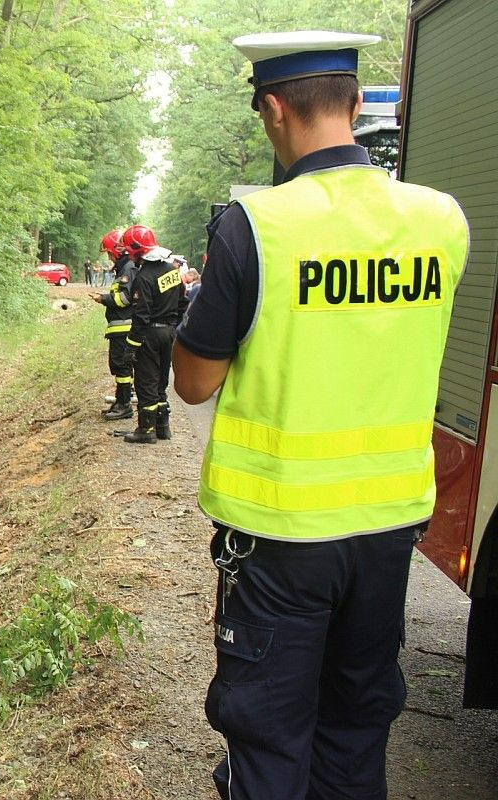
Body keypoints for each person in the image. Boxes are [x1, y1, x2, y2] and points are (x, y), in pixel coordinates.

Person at [172, 31, 469, 800]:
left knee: (269, 733)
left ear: (272, 108)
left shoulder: (256, 229)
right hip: (388, 529)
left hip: (281, 536)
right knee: (355, 726)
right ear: (355, 101)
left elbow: (195, 383)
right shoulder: (442, 221)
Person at [123, 235, 182, 443]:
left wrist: (131, 345)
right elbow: (183, 302)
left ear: (139, 251)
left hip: (150, 334)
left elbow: (142, 315)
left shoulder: (143, 277)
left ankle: (145, 430)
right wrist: (174, 326)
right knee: (161, 381)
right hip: (169, 333)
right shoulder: (172, 271)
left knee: (146, 381)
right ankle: (163, 427)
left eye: (131, 252)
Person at [91, 229, 137, 420]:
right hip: (119, 328)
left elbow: (126, 298)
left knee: (122, 366)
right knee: (118, 366)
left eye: (110, 253)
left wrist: (104, 299)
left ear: (118, 250)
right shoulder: (124, 268)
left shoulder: (128, 269)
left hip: (124, 328)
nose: (109, 257)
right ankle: (120, 401)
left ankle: (124, 405)